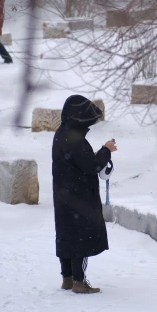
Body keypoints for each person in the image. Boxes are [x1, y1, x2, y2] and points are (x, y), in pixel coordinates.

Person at [52, 95, 117, 294]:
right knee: (79, 236)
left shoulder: (61, 133)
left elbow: (80, 162)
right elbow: (92, 166)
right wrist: (106, 151)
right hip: (79, 197)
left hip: (63, 195)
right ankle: (79, 282)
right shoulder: (76, 140)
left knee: (66, 234)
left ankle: (68, 278)